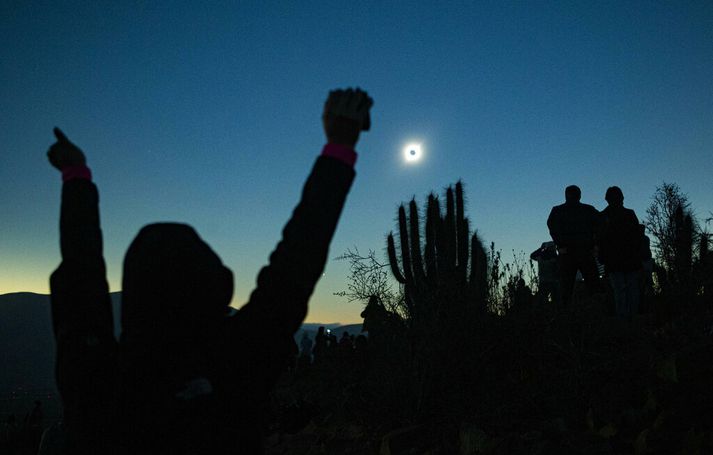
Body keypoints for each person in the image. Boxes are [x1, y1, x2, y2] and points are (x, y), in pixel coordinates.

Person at [47, 88, 373, 454]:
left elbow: (81, 275)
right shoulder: (239, 361)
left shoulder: (97, 386)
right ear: (217, 285)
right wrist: (340, 146)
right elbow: (298, 259)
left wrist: (76, 175)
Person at [547, 185, 601, 306]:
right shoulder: (588, 210)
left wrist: (560, 243)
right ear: (580, 195)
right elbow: (600, 224)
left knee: (566, 288)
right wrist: (595, 244)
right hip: (583, 252)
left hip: (569, 252)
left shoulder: (558, 210)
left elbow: (552, 227)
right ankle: (595, 313)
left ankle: (567, 316)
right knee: (592, 286)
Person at [599, 186, 642, 322]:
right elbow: (637, 236)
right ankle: (630, 317)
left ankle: (623, 317)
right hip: (628, 257)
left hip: (615, 259)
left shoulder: (603, 216)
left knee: (620, 289)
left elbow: (600, 239)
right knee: (630, 288)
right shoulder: (629, 214)